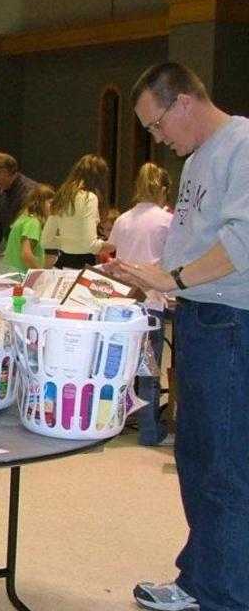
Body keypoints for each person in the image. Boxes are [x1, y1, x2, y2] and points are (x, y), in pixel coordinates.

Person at [106, 61, 249, 611]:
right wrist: (152, 279)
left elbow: (242, 243)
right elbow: (191, 243)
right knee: (194, 455)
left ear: (185, 102)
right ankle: (201, 577)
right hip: (197, 315)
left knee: (225, 468)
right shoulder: (197, 159)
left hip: (231, 323)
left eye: (157, 123)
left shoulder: (241, 144)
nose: (157, 138)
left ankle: (230, 610)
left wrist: (174, 275)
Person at [107, 162, 172, 447]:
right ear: (163, 189)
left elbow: (112, 251)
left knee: (123, 367)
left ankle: (115, 422)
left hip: (125, 303)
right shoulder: (166, 221)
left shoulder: (123, 219)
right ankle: (149, 430)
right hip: (153, 302)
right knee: (149, 369)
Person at [40, 154, 114, 268]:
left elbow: (46, 241)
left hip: (61, 265)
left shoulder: (62, 196)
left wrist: (70, 242)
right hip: (82, 268)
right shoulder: (89, 198)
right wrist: (114, 245)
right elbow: (90, 245)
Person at [0, 153, 37, 258]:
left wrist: (14, 250)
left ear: (3, 173)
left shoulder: (30, 192)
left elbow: (30, 231)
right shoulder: (3, 192)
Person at [2, 183, 56, 273]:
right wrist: (41, 274)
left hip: (10, 275)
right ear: (39, 203)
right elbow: (26, 255)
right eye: (51, 203)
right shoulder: (33, 223)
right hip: (20, 278)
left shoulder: (23, 219)